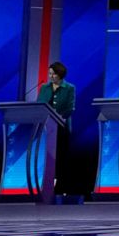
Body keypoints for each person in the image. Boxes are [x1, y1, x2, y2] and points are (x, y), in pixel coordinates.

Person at [37, 62, 75, 195]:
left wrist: (57, 117)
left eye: (54, 74)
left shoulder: (69, 88)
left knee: (60, 158)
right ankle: (43, 186)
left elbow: (70, 108)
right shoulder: (44, 88)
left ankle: (61, 188)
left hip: (61, 128)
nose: (51, 76)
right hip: (45, 129)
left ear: (60, 74)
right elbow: (39, 105)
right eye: (50, 73)